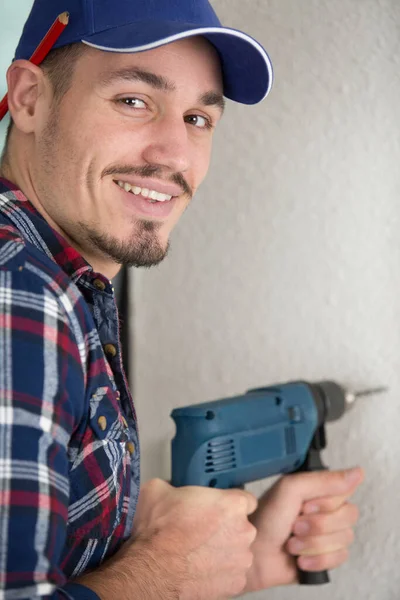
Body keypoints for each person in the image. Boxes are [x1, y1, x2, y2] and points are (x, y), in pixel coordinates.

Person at [0, 0, 364, 598]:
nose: (173, 154)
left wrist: (233, 565)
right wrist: (160, 576)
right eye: (134, 101)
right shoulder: (23, 296)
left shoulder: (66, 283)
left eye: (199, 118)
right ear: (30, 98)